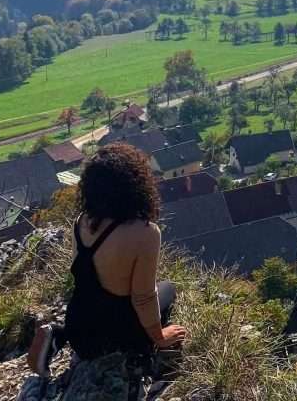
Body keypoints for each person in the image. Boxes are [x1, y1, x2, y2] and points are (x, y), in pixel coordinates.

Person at [28, 143, 187, 376]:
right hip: (118, 335)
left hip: (79, 329)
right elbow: (142, 297)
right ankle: (143, 344)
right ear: (136, 185)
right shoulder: (145, 233)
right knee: (167, 288)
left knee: (97, 299)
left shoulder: (82, 221)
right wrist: (160, 337)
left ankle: (59, 334)